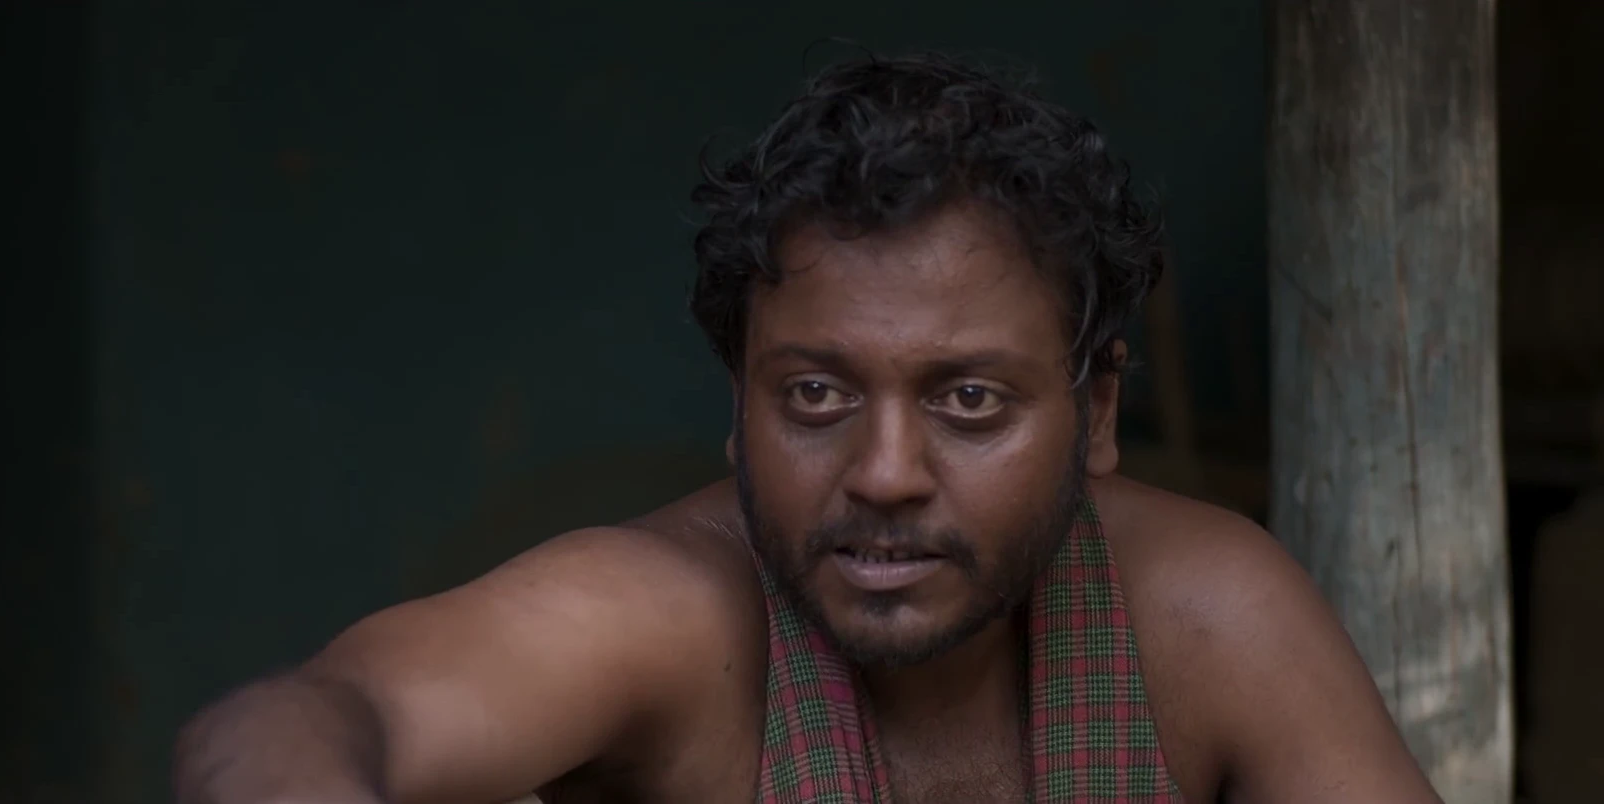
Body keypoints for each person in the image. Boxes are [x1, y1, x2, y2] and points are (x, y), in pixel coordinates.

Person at [173, 52, 1443, 804]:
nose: (884, 475)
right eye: (817, 396)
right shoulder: (662, 621)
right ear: (738, 406)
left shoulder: (1205, 617)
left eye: (970, 401)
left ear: (1095, 410)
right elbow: (303, 718)